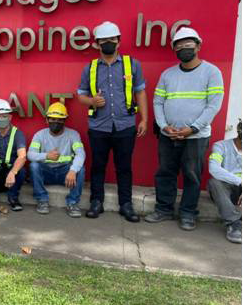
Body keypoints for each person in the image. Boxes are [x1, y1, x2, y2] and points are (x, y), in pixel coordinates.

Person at [146, 27, 225, 231]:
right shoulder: (168, 75)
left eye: (188, 44)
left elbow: (213, 105)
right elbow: (157, 102)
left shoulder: (212, 72)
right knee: (165, 173)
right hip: (168, 135)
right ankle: (164, 209)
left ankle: (188, 213)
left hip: (195, 137)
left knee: (192, 175)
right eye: (179, 46)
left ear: (198, 45)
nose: (183, 48)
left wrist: (193, 128)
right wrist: (164, 127)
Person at [76, 21, 148, 222]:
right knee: (98, 166)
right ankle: (96, 202)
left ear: (119, 41)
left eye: (112, 39)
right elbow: (80, 94)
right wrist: (91, 101)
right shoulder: (90, 68)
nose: (108, 43)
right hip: (99, 126)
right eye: (103, 40)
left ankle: (126, 205)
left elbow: (140, 91)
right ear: (97, 44)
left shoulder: (132, 64)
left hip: (125, 125)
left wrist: (144, 119)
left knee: (124, 167)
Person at [27, 102, 86, 217]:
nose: (56, 122)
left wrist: (73, 170)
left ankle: (73, 203)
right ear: (47, 120)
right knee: (34, 166)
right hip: (47, 173)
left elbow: (81, 154)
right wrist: (46, 156)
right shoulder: (39, 135)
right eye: (53, 119)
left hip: (66, 175)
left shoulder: (73, 135)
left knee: (81, 169)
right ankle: (42, 200)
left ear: (65, 120)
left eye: (60, 120)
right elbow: (30, 154)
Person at [208, 120, 242, 243]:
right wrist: (240, 182)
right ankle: (234, 223)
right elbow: (214, 169)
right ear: (240, 134)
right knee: (214, 183)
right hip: (225, 189)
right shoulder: (220, 146)